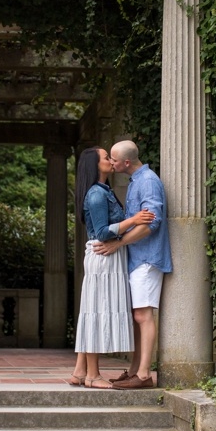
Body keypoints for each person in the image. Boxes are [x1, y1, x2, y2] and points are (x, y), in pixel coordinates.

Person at [69, 147, 155, 389]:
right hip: (104, 256)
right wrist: (134, 220)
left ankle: (79, 371)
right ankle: (93, 375)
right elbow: (103, 232)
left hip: (108, 256)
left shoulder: (102, 190)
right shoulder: (96, 194)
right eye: (106, 157)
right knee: (96, 312)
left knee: (92, 310)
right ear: (95, 165)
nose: (110, 160)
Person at [93, 140, 172, 390]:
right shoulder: (136, 180)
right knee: (137, 316)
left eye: (114, 160)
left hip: (147, 258)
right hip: (138, 258)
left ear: (126, 162)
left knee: (143, 315)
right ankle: (135, 370)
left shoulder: (147, 181)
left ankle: (144, 374)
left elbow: (152, 223)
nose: (112, 164)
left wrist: (118, 244)